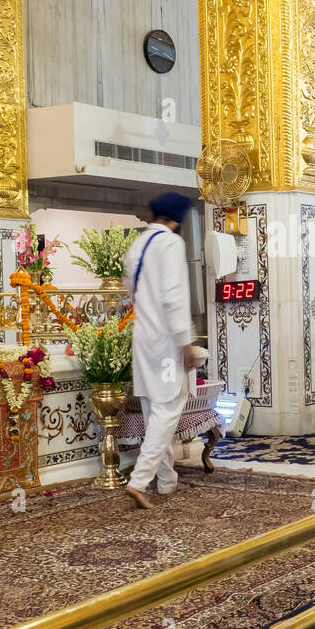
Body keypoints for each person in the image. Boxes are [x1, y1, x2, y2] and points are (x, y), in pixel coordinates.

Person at [122, 192, 196, 510]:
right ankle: (139, 482)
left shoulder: (136, 246)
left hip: (142, 338)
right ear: (177, 219)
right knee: (167, 410)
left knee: (155, 411)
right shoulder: (171, 244)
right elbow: (172, 296)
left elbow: (131, 291)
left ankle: (166, 481)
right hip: (166, 340)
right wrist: (185, 341)